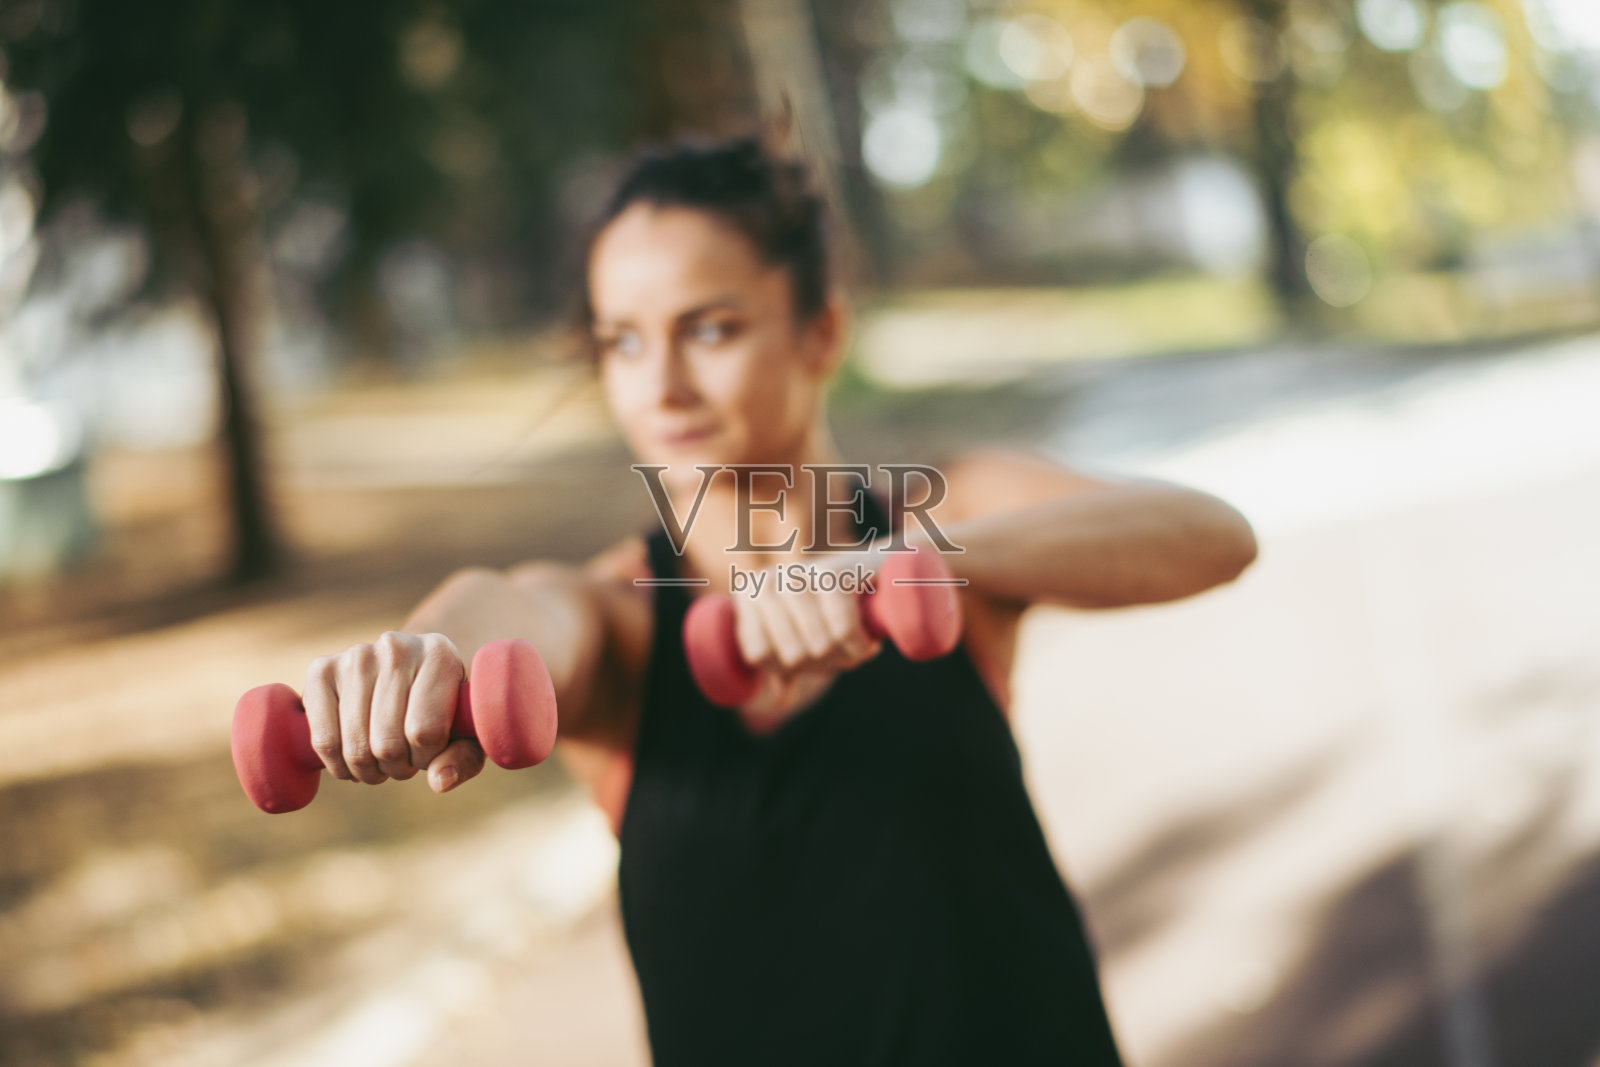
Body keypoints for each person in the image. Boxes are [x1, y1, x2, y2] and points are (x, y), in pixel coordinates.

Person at [299, 132, 1258, 1065]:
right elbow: (508, 609)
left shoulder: (947, 515)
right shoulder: (621, 617)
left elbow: (1210, 534)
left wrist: (901, 563)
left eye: (709, 328)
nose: (662, 385)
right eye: (623, 343)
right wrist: (427, 650)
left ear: (822, 330)